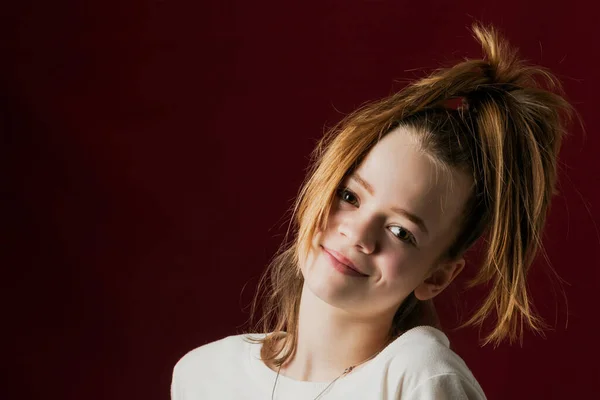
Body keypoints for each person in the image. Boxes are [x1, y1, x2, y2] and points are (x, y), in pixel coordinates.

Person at [170, 23, 575, 399]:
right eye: (350, 197)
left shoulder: (420, 377)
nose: (359, 235)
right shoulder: (203, 375)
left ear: (437, 276)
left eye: (402, 232)